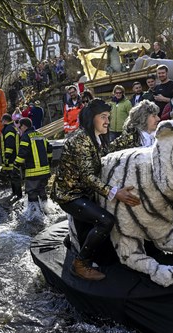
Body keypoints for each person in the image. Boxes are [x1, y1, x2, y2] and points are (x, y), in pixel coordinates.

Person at [51, 99, 141, 281]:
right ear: (91, 119)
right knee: (105, 221)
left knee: (85, 228)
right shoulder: (80, 140)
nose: (107, 121)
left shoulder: (95, 138)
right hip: (69, 195)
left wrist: (130, 134)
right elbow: (87, 177)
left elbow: (108, 151)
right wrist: (116, 192)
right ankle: (80, 264)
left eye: (108, 117)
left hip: (83, 192)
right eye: (103, 117)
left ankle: (75, 246)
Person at [14, 117, 52, 208]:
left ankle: (34, 214)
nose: (19, 129)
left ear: (24, 126)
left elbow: (22, 153)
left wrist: (15, 165)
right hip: (45, 171)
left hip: (33, 172)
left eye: (20, 127)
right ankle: (47, 209)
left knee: (31, 192)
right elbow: (50, 149)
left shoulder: (26, 136)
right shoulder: (41, 135)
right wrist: (48, 163)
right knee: (42, 190)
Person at [0, 113, 23, 199]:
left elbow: (10, 145)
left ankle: (18, 195)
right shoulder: (12, 128)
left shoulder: (9, 129)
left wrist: (6, 157)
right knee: (13, 176)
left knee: (14, 177)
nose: (1, 122)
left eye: (1, 121)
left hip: (11, 158)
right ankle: (15, 194)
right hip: (13, 157)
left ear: (5, 121)